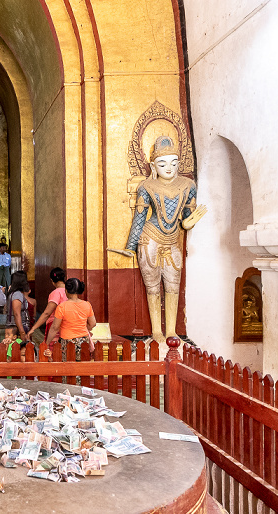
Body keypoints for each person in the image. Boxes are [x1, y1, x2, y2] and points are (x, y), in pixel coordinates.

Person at [114, 136, 207, 344]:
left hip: (173, 239)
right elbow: (139, 219)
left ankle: (172, 332)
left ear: (179, 164)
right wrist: (130, 246)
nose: (169, 168)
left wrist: (190, 221)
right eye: (162, 163)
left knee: (173, 286)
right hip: (150, 238)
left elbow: (184, 221)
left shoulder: (188, 185)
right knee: (153, 287)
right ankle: (157, 331)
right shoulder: (147, 187)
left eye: (174, 163)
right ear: (153, 165)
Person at [44, 279, 97, 375]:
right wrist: (83, 328)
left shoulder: (62, 307)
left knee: (67, 369)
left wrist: (46, 343)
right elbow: (93, 323)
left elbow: (55, 328)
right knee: (82, 369)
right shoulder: (87, 305)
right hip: (83, 341)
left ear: (66, 291)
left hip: (67, 342)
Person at [27, 267, 68, 352]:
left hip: (55, 325)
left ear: (52, 281)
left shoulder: (56, 293)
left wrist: (33, 328)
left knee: (51, 351)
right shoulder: (70, 292)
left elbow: (47, 313)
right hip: (68, 325)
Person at [5, 271, 36, 344]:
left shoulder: (15, 293)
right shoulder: (17, 295)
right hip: (17, 328)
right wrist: (22, 332)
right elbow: (16, 314)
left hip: (17, 327)